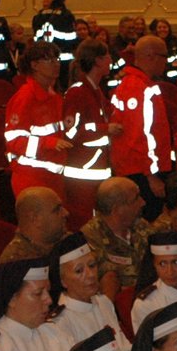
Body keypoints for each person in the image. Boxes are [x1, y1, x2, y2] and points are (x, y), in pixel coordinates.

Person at [109, 34, 175, 220]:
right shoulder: (138, 87)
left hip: (139, 169)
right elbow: (139, 136)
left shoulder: (137, 84)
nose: (166, 62)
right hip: (141, 173)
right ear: (150, 56)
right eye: (164, 56)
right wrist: (151, 175)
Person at [60, 39, 120, 223]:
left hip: (98, 171)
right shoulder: (78, 92)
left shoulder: (96, 92)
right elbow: (71, 133)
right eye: (107, 56)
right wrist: (105, 129)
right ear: (98, 60)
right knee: (84, 224)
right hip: (81, 175)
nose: (111, 60)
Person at [4, 42, 70, 195]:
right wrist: (49, 143)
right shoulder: (25, 97)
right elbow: (14, 140)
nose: (56, 64)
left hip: (53, 176)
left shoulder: (54, 96)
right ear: (34, 65)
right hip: (31, 177)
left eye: (57, 60)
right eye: (50, 60)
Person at [47, 231, 130, 351]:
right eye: (79, 271)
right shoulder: (60, 323)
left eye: (92, 265)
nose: (90, 275)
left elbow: (124, 347)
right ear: (63, 281)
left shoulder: (104, 302)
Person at [82, 176, 150, 298]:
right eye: (136, 199)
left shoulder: (141, 226)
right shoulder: (90, 236)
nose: (143, 202)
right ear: (117, 209)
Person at [0, 187, 69, 265]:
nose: (66, 213)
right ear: (35, 219)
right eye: (57, 210)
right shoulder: (18, 263)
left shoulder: (65, 241)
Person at [31, 0, 79, 74]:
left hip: (43, 61)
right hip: (64, 62)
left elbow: (36, 38)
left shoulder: (39, 16)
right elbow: (72, 40)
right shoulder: (66, 15)